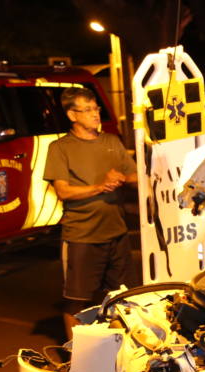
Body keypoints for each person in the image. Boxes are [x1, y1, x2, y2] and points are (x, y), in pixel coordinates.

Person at [44, 86, 138, 340]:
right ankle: (76, 355)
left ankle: (121, 350)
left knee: (122, 297)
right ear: (72, 116)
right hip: (82, 235)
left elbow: (135, 176)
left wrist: (126, 177)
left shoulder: (111, 142)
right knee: (77, 300)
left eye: (95, 108)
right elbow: (62, 191)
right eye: (86, 110)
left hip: (117, 231)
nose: (95, 115)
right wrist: (99, 187)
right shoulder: (60, 148)